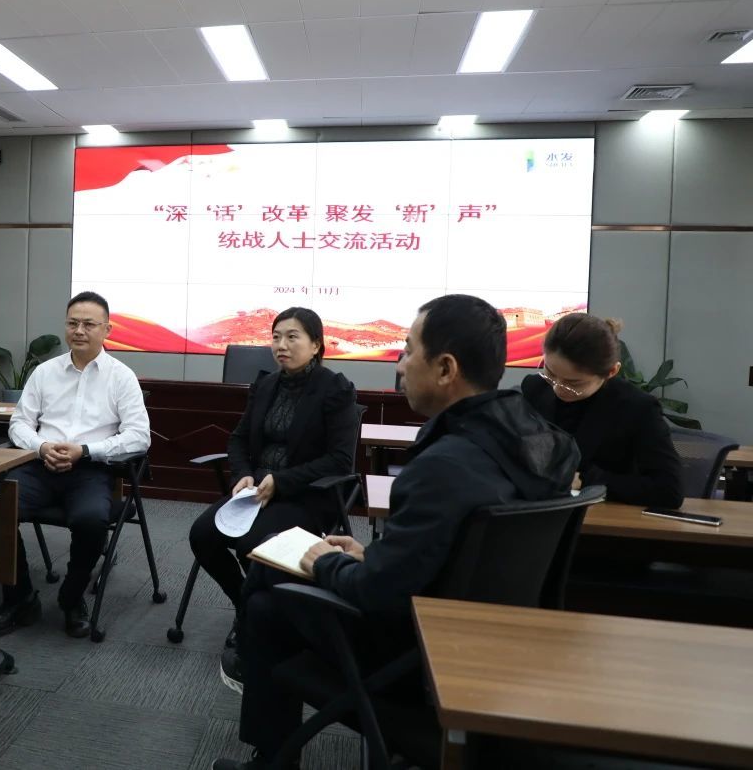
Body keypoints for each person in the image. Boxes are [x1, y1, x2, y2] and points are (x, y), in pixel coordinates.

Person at [212, 294, 580, 770]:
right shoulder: (540, 440)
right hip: (489, 643)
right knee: (268, 586)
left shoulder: (444, 465)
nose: (400, 365)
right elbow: (456, 551)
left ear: (445, 369)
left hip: (420, 657)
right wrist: (372, 554)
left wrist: (327, 562)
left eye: (407, 350)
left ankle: (270, 757)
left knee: (266, 598)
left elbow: (376, 593)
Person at [188, 307, 357, 648]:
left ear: (316, 345)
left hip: (306, 494)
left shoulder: (335, 389)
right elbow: (238, 439)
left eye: (292, 337)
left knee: (253, 545)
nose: (282, 345)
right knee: (201, 535)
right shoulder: (266, 384)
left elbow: (340, 461)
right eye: (276, 337)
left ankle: (261, 619)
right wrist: (243, 474)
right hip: (256, 493)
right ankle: (245, 606)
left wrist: (282, 481)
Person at [0, 291, 151, 639]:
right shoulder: (45, 372)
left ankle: (71, 598)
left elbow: (140, 437)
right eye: (72, 323)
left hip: (90, 469)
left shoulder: (121, 377)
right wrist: (41, 446)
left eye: (89, 324)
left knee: (92, 521)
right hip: (40, 465)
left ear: (107, 329)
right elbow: (19, 423)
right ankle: (20, 597)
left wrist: (86, 450)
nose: (79, 331)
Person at [521, 312, 683, 508]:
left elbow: (669, 490)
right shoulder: (535, 389)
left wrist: (587, 480)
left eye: (574, 383)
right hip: (536, 511)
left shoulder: (637, 408)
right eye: (550, 374)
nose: (558, 388)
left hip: (602, 518)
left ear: (611, 372)